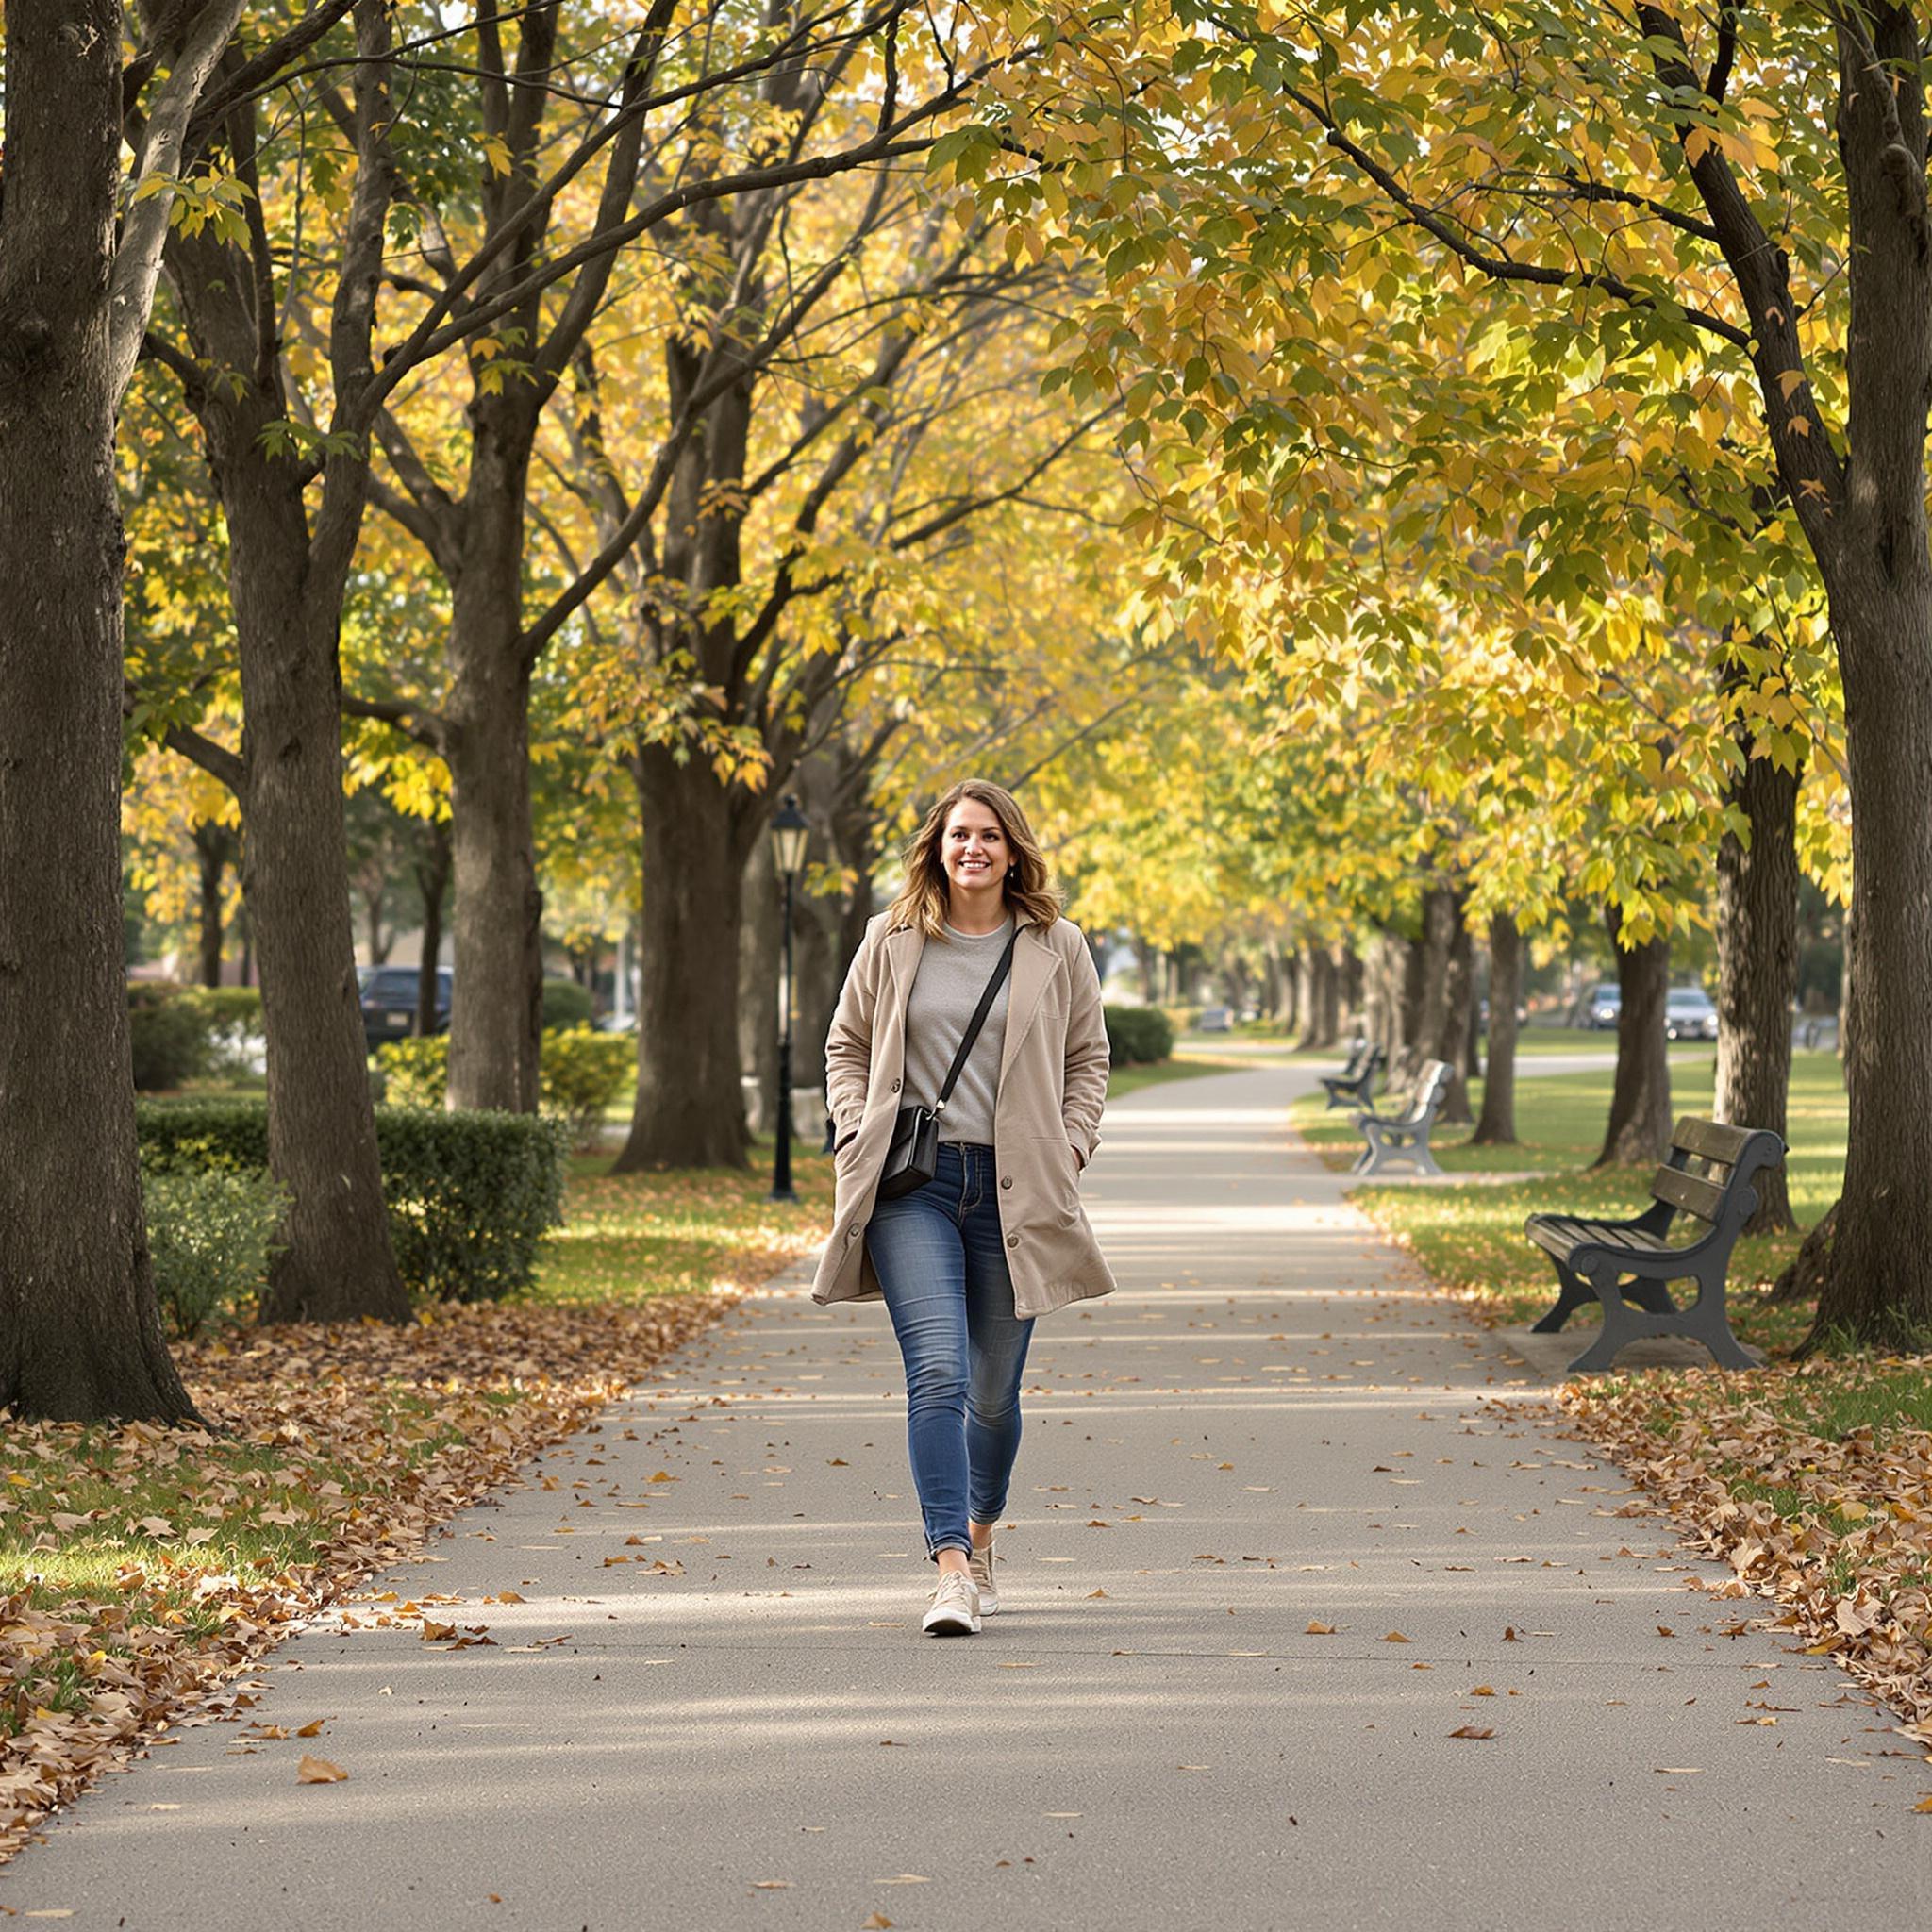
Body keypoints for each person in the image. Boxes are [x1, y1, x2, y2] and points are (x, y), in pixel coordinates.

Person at [814, 779, 1116, 1636]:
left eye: (988, 836)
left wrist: (1072, 1144)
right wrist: (851, 1130)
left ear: (1013, 850)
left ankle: (982, 1540)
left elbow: (1087, 1059)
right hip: (915, 1184)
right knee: (938, 1370)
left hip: (1018, 1188)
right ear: (937, 848)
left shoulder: (1057, 944)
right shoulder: (893, 937)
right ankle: (949, 1568)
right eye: (957, 836)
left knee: (992, 1390)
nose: (972, 848)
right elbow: (847, 1043)